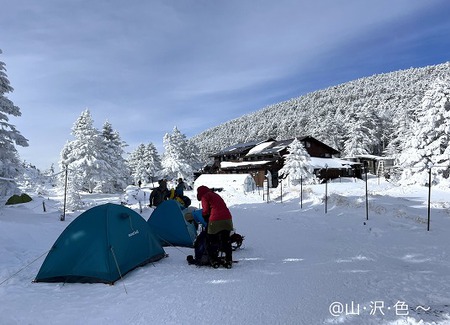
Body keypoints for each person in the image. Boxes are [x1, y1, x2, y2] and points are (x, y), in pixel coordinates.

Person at [196, 185, 234, 269]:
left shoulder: (204, 196)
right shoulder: (215, 195)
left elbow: (205, 210)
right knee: (226, 240)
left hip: (215, 220)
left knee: (211, 240)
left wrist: (205, 217)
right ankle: (228, 260)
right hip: (228, 218)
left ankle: (214, 260)